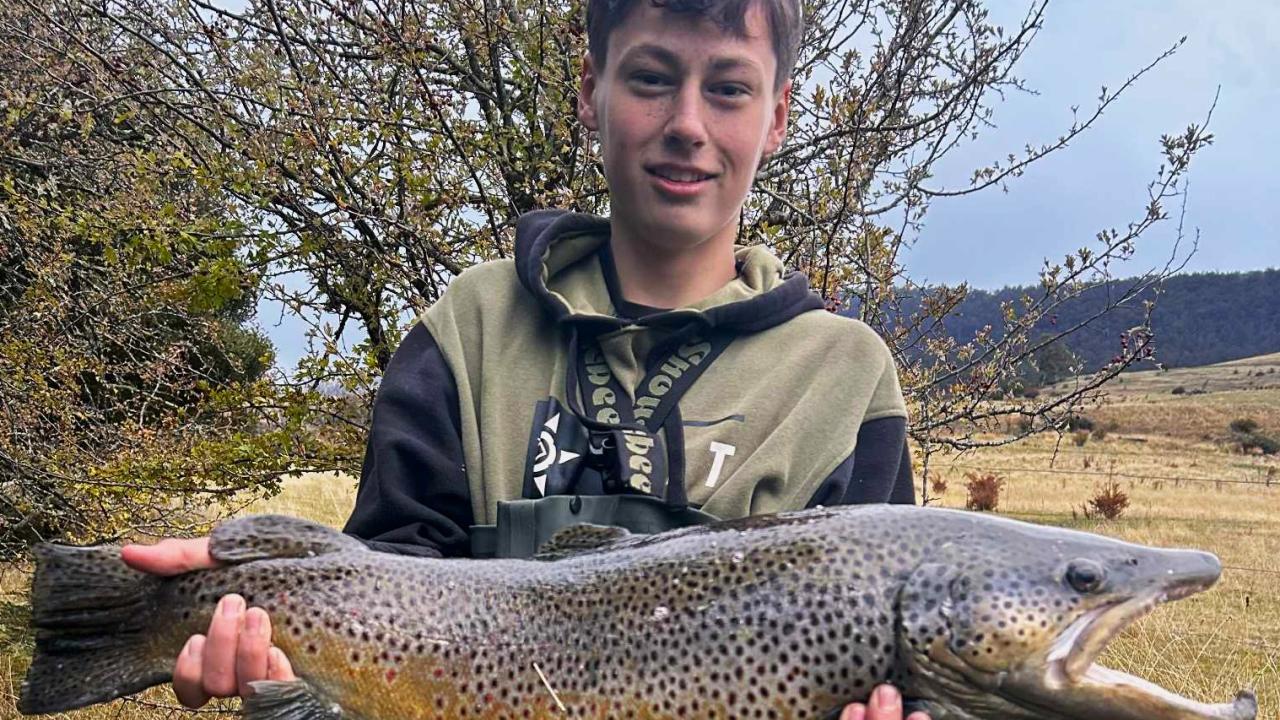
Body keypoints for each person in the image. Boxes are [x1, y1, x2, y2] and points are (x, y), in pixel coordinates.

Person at [123, 1, 928, 718]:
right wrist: (254, 598)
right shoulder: (469, 326)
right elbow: (385, 583)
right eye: (651, 77)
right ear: (589, 89)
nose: (688, 121)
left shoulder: (845, 381)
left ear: (778, 115)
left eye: (728, 88)